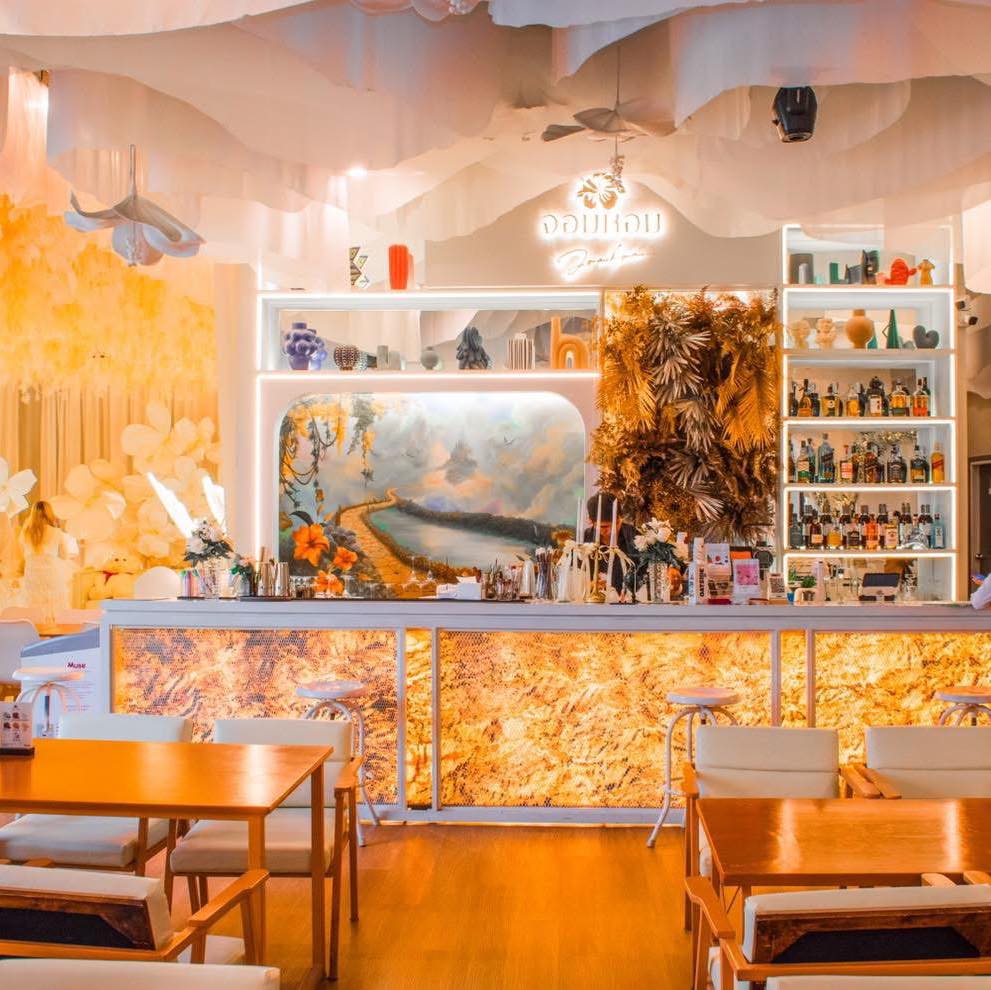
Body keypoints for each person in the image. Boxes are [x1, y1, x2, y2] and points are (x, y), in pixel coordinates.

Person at [18, 501, 78, 623]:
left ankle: (36, 631)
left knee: (34, 605)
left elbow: (23, 554)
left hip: (32, 575)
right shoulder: (56, 532)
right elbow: (64, 555)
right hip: (51, 574)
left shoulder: (26, 532)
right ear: (50, 513)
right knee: (54, 606)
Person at [582, 492, 639, 593]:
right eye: (604, 527)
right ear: (590, 521)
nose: (612, 530)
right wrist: (588, 585)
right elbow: (575, 573)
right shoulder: (585, 539)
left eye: (617, 523)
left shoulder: (635, 537)